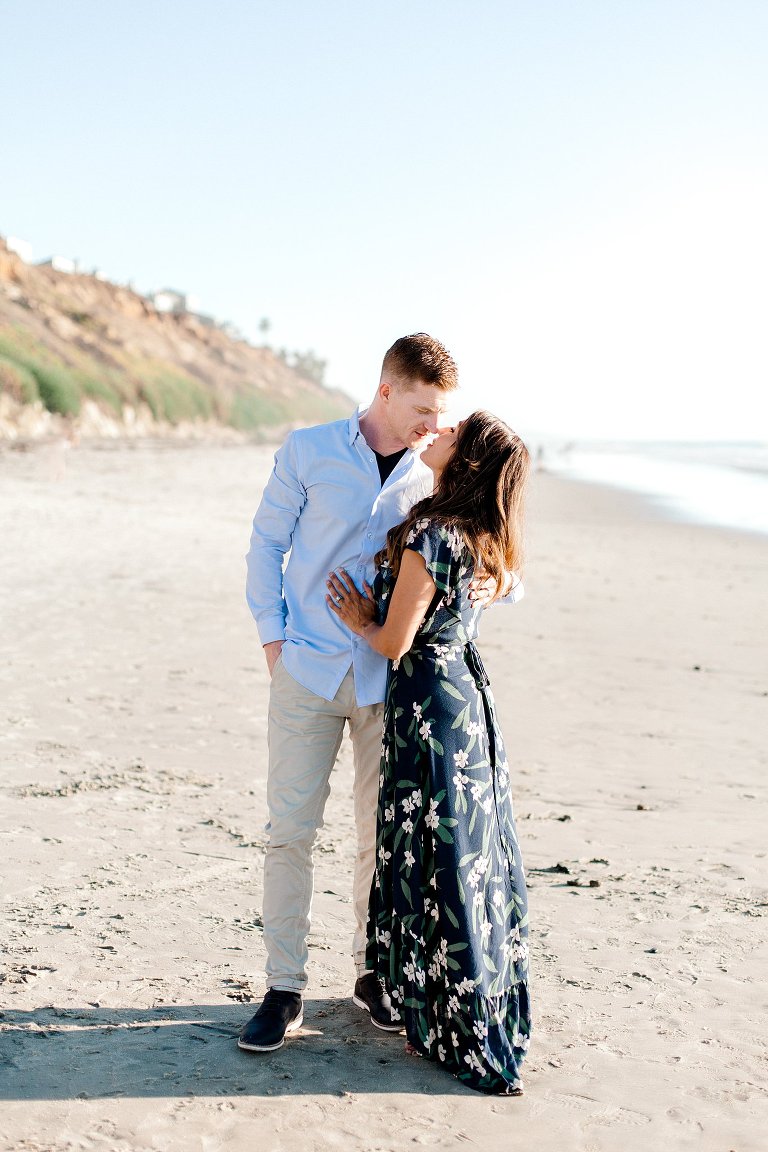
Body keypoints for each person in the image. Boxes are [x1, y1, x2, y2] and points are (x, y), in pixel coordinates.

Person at [240, 334, 466, 1052]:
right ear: (386, 390)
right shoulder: (308, 449)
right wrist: (274, 641)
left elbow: (469, 548)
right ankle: (284, 988)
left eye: (441, 412)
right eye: (423, 408)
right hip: (304, 670)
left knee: (380, 839)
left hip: (384, 681)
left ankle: (374, 973)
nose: (431, 423)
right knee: (290, 833)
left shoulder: (433, 473)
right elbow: (265, 544)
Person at [327, 411, 531, 1095]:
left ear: (465, 459)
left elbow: (392, 642)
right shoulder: (481, 537)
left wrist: (360, 619)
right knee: (469, 857)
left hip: (427, 709)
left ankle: (449, 1016)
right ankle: (470, 1002)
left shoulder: (433, 533)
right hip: (466, 701)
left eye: (454, 431)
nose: (438, 431)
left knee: (437, 857)